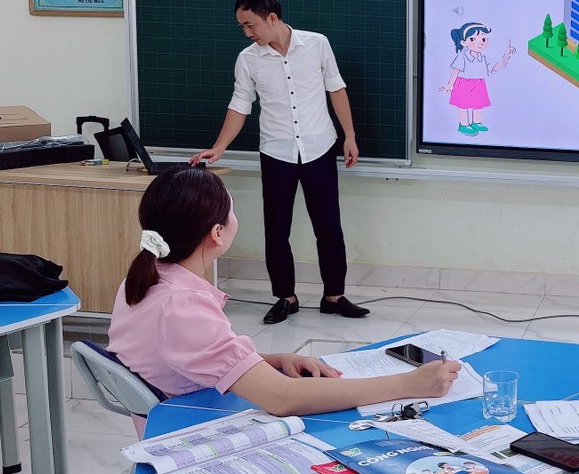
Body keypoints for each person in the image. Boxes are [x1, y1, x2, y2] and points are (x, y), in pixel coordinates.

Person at [108, 167, 460, 417]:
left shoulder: (147, 276)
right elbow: (282, 398)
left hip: (180, 414)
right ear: (217, 233)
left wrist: (271, 361)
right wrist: (411, 383)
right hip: (193, 433)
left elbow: (192, 355)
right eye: (232, 211)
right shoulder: (183, 305)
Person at [191, 0, 368, 325]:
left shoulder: (317, 44)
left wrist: (350, 136)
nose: (247, 32)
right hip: (276, 152)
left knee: (329, 227)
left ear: (271, 18)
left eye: (250, 24)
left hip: (319, 148)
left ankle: (334, 296)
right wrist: (220, 146)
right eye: (242, 26)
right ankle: (286, 297)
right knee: (276, 230)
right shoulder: (248, 59)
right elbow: (240, 105)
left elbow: (336, 88)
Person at [437, 22, 514, 137]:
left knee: (478, 104)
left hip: (478, 83)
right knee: (463, 105)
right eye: (473, 39)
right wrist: (450, 84)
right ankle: (464, 125)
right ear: (464, 42)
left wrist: (506, 56)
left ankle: (476, 122)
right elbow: (455, 70)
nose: (481, 42)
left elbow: (497, 68)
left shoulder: (484, 58)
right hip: (463, 83)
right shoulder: (462, 57)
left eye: (483, 39)